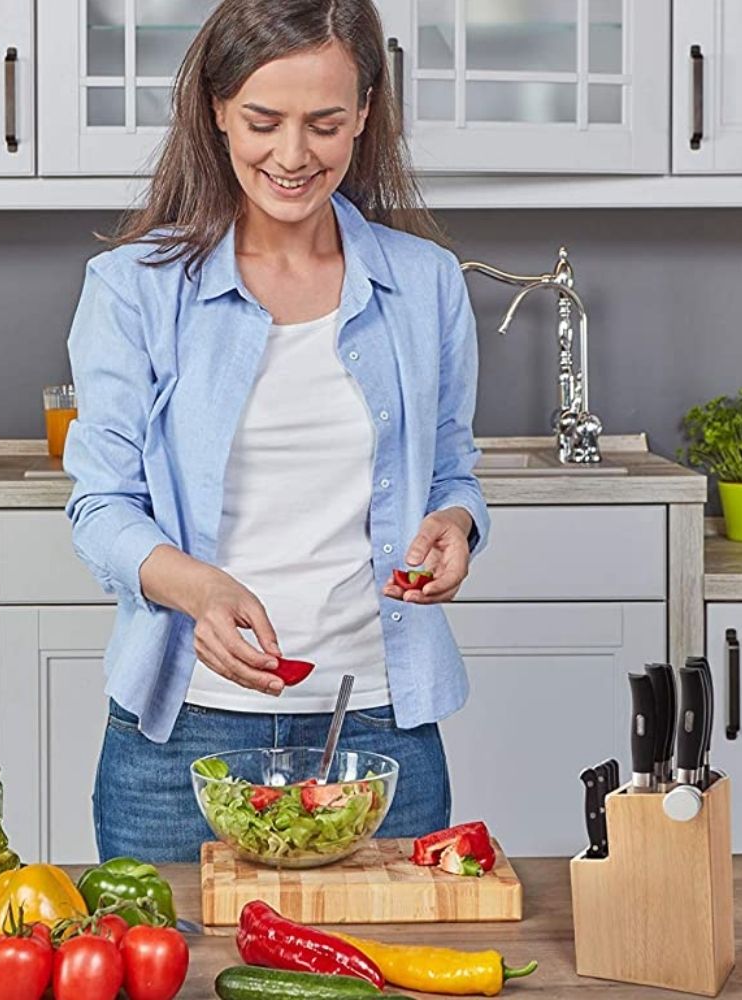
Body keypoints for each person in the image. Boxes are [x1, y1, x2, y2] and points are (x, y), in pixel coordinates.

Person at [62, 0, 489, 863]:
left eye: (325, 124)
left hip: (379, 725)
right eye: (264, 121)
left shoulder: (427, 284)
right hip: (181, 736)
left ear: (366, 114)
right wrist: (196, 589)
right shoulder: (133, 289)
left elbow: (451, 468)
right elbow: (101, 507)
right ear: (217, 108)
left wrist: (457, 528)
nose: (293, 156)